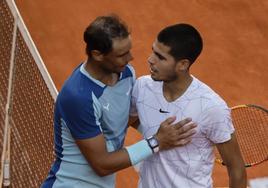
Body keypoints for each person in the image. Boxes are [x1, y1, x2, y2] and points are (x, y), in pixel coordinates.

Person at [41, 15, 197, 188]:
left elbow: (123, 119)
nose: (130, 58)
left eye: (129, 50)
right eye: (121, 54)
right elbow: (102, 164)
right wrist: (156, 141)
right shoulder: (78, 96)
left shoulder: (126, 74)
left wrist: (174, 133)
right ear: (97, 55)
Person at [130, 23, 247, 188]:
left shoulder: (211, 107)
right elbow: (128, 121)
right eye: (153, 51)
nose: (150, 60)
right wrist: (160, 137)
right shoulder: (142, 87)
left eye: (160, 57)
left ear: (183, 65)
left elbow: (237, 169)